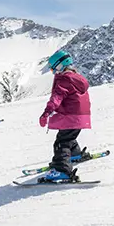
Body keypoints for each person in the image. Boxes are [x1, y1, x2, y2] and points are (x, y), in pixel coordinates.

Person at [39, 50, 92, 181]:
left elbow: (56, 98)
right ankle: (74, 154)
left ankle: (61, 170)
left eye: (54, 69)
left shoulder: (64, 80)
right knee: (69, 136)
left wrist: (46, 113)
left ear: (60, 66)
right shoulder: (77, 77)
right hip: (81, 116)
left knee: (61, 143)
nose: (54, 72)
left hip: (71, 116)